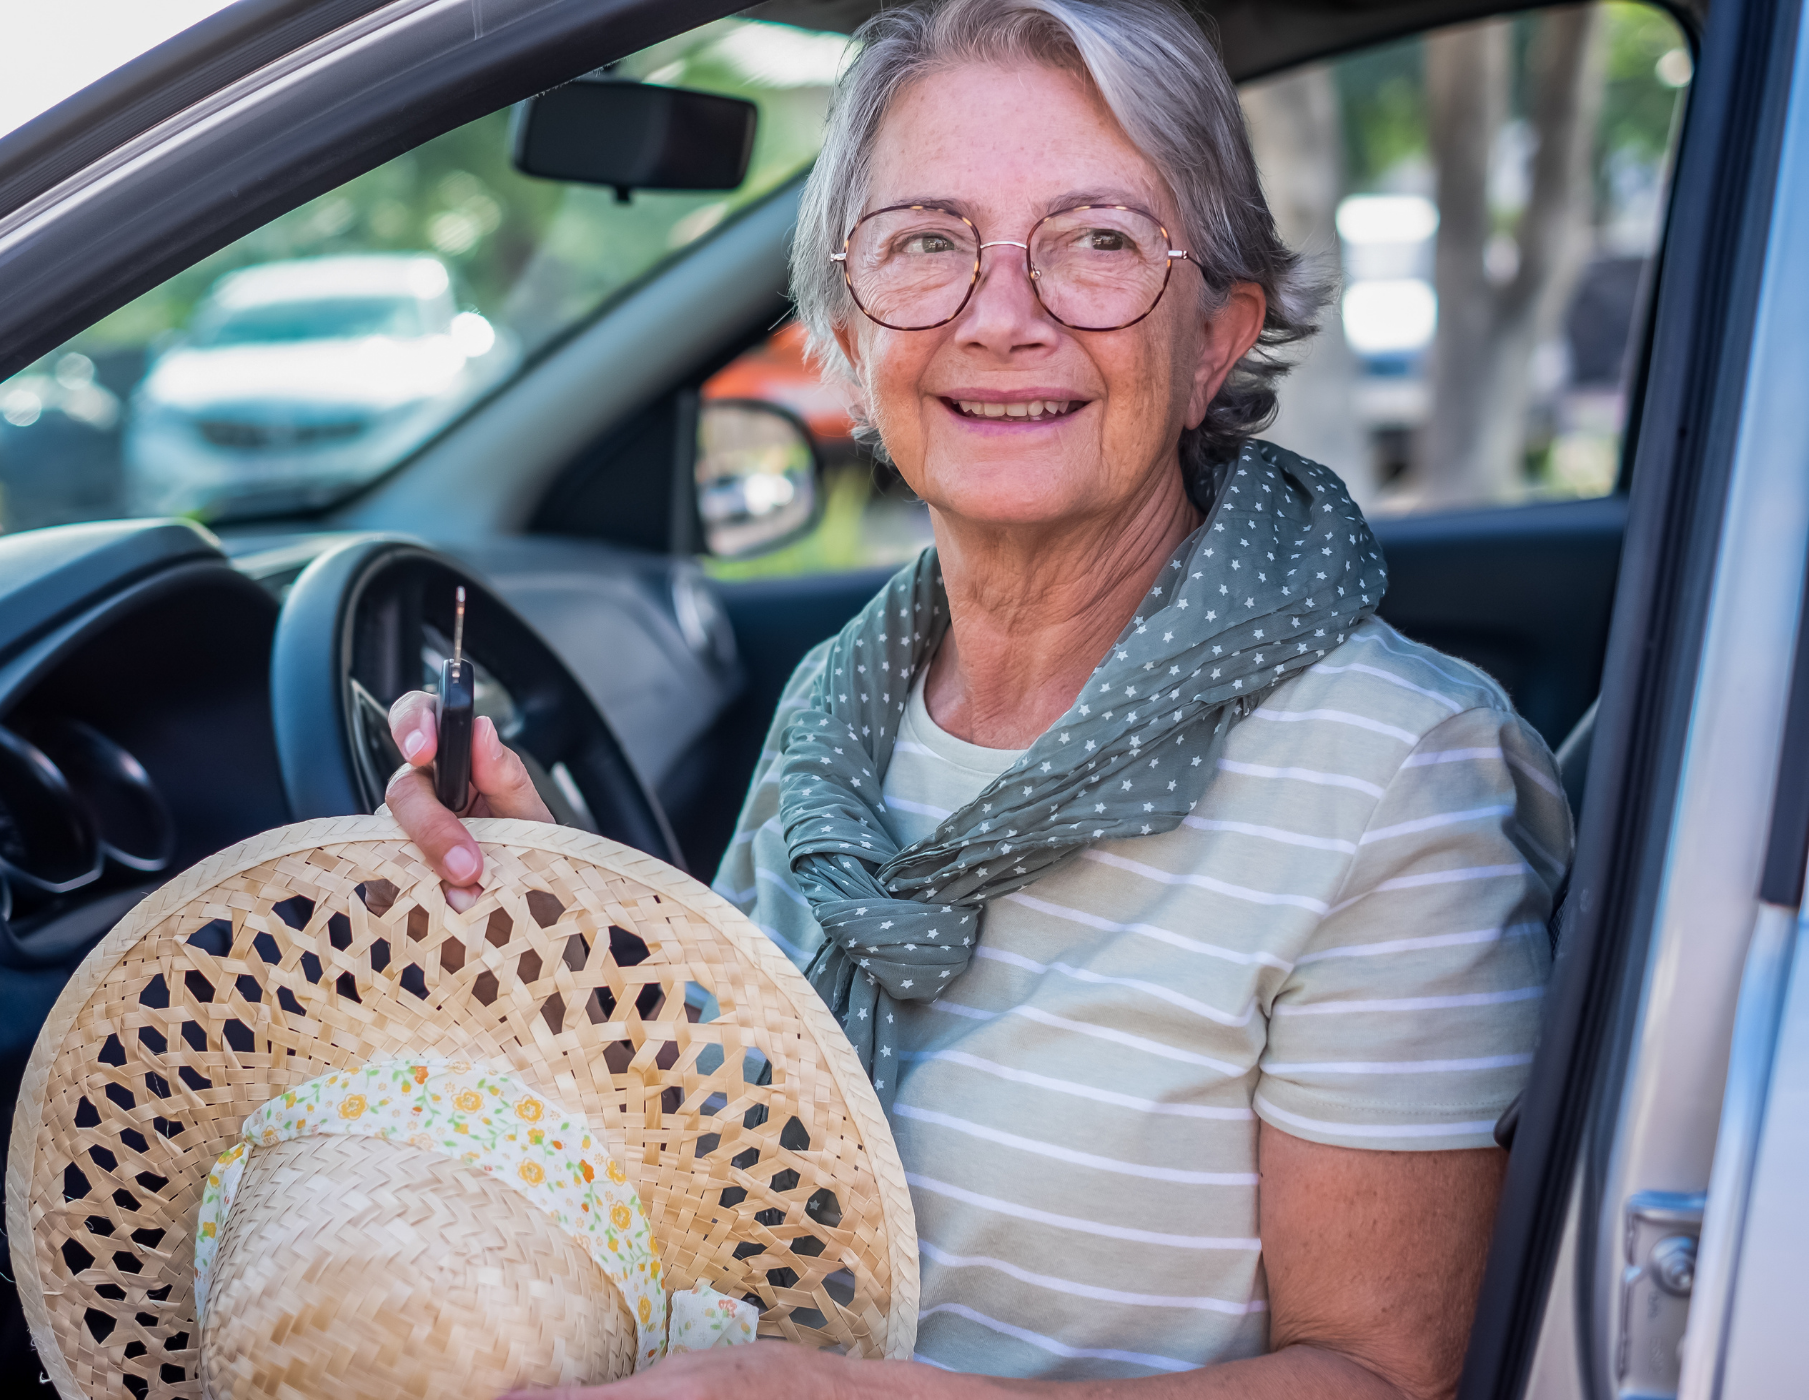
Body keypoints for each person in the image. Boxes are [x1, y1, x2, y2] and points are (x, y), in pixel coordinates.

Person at [385, 0, 1570, 1394]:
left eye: (1098, 243)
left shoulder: (1395, 777)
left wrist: (828, 1395)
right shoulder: (845, 701)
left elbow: (1381, 1379)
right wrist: (557, 916)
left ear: (1212, 342)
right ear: (847, 330)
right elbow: (722, 1154)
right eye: (929, 243)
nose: (1001, 316)